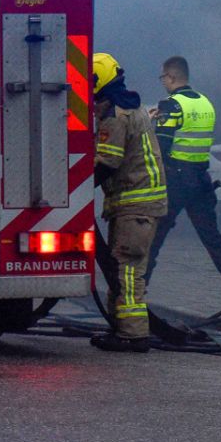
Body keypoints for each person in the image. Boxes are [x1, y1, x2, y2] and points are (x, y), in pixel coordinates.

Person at [146, 55, 221, 318]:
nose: (162, 82)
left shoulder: (170, 105)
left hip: (176, 180)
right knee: (213, 239)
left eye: (163, 77)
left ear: (171, 77)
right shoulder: (206, 103)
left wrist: (151, 123)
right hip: (201, 180)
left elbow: (160, 147)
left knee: (153, 238)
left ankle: (135, 291)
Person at [87, 53, 169, 354]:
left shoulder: (116, 116)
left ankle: (133, 336)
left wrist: (77, 192)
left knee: (127, 271)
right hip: (134, 205)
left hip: (136, 206)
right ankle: (121, 330)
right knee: (119, 267)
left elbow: (108, 162)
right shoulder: (125, 108)